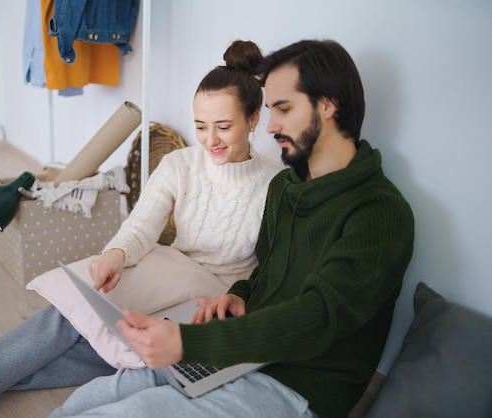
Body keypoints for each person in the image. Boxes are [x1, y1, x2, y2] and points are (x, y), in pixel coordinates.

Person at [0, 40, 281, 418]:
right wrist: (115, 254)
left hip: (213, 300)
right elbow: (141, 223)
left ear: (254, 119)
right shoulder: (180, 164)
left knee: (90, 334)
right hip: (170, 273)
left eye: (223, 126)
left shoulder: (277, 183)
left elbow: (273, 265)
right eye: (201, 126)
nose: (210, 139)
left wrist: (234, 299)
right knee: (87, 328)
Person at [46, 39, 416, 418]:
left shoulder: (379, 212)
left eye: (283, 109)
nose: (270, 126)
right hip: (237, 356)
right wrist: (239, 295)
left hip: (292, 387)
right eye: (270, 110)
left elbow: (318, 317)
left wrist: (192, 342)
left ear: (329, 103)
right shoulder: (286, 188)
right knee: (96, 397)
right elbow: (266, 273)